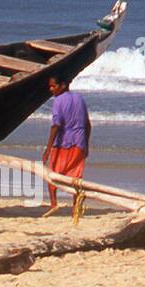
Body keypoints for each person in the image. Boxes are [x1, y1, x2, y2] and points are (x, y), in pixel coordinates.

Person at [41, 74, 90, 217]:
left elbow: (56, 125)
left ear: (62, 85)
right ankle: (76, 207)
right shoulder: (80, 98)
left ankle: (54, 204)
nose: (51, 89)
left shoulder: (58, 101)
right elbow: (88, 124)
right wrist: (86, 144)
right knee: (76, 176)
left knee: (53, 174)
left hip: (63, 142)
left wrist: (48, 149)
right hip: (79, 142)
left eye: (53, 86)